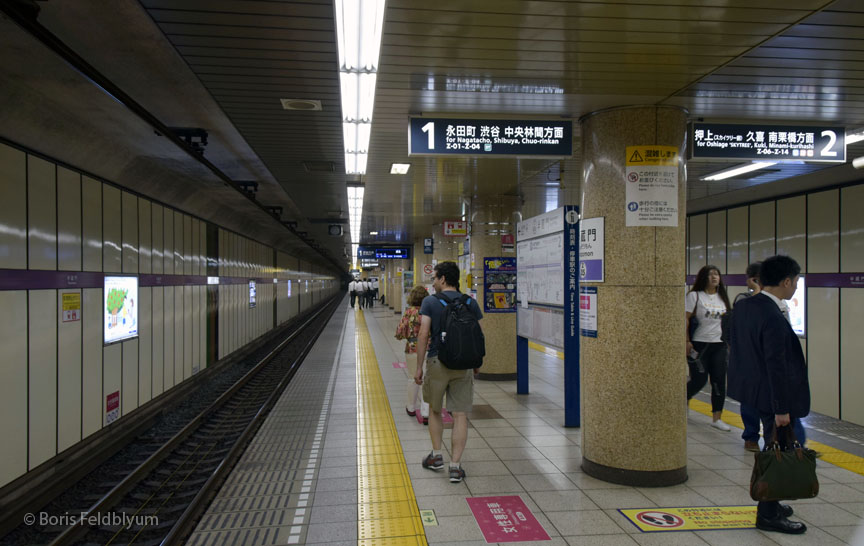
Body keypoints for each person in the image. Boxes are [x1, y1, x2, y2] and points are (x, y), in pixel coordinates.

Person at [727, 255, 810, 535]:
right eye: (796, 281)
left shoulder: (745, 306)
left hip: (752, 390)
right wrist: (781, 408)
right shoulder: (772, 315)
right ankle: (768, 512)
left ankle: (771, 499)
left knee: (774, 447)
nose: (796, 287)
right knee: (778, 449)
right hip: (771, 395)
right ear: (786, 281)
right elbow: (776, 365)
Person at [414, 261, 482, 483]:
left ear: (443, 279)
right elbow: (478, 335)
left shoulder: (430, 302)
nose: (433, 282)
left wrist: (418, 367)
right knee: (460, 414)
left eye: (434, 278)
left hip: (438, 362)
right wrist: (476, 363)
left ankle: (436, 457)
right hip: (463, 365)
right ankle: (455, 466)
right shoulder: (470, 302)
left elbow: (423, 335)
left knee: (435, 410)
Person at [686, 265, 732, 430]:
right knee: (699, 379)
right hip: (699, 344)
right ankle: (684, 397)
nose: (714, 277)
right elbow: (685, 319)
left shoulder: (722, 298)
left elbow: (728, 322)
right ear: (703, 277)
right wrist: (686, 341)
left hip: (719, 345)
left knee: (719, 380)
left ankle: (717, 418)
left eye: (717, 274)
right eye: (710, 274)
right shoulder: (695, 296)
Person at [734, 263, 764, 451]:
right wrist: (757, 292)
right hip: (750, 358)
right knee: (751, 399)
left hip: (770, 358)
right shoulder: (743, 300)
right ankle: (751, 436)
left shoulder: (779, 301)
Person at [396, 285, 430, 422]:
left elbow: (399, 332)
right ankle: (426, 411)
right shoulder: (428, 311)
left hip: (412, 348)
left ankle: (411, 408)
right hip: (428, 347)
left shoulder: (409, 312)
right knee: (427, 379)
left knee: (412, 378)